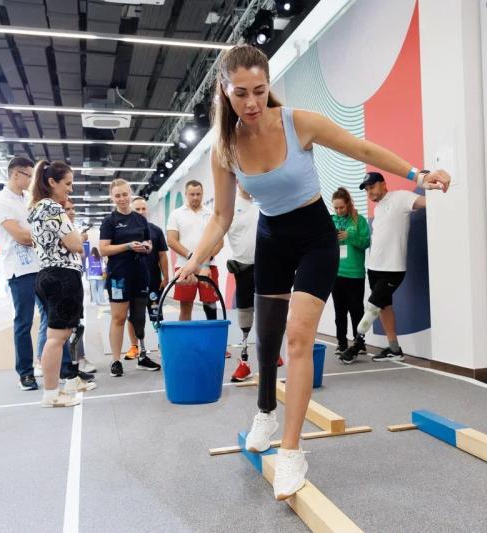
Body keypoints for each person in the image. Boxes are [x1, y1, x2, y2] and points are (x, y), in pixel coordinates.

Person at [177, 44, 450, 500]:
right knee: (266, 342)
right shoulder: (224, 149)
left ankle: (291, 450)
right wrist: (195, 258)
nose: (251, 103)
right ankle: (264, 411)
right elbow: (221, 217)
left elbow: (361, 147)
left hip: (315, 236)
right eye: (240, 93)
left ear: (269, 87)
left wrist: (417, 173)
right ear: (224, 92)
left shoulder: (297, 122)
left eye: (260, 91)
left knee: (299, 339)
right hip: (271, 240)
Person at [340, 172, 430, 364]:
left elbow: (426, 202)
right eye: (366, 189)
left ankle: (356, 346)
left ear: (383, 184)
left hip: (393, 268)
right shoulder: (379, 208)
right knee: (384, 307)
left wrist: (436, 185)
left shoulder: (400, 197)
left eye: (372, 186)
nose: (369, 192)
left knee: (372, 306)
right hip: (374, 267)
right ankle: (395, 349)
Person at [27, 160, 93, 407]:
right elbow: (75, 245)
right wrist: (85, 236)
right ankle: (51, 393)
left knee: (57, 337)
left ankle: (54, 390)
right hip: (62, 275)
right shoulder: (52, 208)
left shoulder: (36, 208)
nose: (71, 189)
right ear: (51, 182)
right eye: (67, 184)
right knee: (56, 338)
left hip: (47, 274)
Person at [99, 179, 162, 377]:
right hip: (119, 276)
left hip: (140, 274)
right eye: (117, 195)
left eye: (125, 194)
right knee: (118, 318)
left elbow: (150, 244)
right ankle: (116, 360)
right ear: (112, 197)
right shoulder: (109, 221)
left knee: (139, 317)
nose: (122, 199)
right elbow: (103, 249)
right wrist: (127, 246)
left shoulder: (140, 220)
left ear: (130, 193)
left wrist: (146, 247)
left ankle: (142, 355)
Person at [0, 156, 42, 391]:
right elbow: (21, 236)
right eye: (28, 175)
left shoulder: (27, 200)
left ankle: (62, 368)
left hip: (41, 268)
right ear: (15, 174)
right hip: (19, 272)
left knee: (54, 318)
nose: (31, 180)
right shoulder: (1, 202)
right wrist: (47, 238)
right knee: (23, 323)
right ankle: (26, 373)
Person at [166, 180, 223, 322]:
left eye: (198, 194)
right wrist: (192, 257)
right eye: (192, 194)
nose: (195, 197)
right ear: (186, 194)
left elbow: (219, 242)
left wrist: (203, 262)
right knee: (185, 306)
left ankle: (212, 339)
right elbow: (172, 241)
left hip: (209, 266)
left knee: (210, 304)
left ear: (203, 194)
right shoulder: (176, 214)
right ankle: (184, 341)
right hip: (184, 266)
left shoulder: (211, 214)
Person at [127, 197, 169, 358]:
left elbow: (162, 256)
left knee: (156, 314)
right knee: (134, 317)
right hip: (133, 282)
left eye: (143, 208)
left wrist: (166, 276)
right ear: (132, 211)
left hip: (153, 281)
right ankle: (134, 347)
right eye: (137, 209)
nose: (141, 212)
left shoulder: (156, 231)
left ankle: (162, 344)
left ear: (148, 210)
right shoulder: (126, 231)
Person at [226, 183, 260, 381]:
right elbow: (217, 232)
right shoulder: (230, 204)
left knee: (270, 311)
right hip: (243, 267)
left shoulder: (265, 200)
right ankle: (244, 362)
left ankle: (272, 355)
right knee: (245, 314)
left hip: (269, 264)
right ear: (237, 181)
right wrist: (202, 262)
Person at [331, 187, 370, 355]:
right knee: (339, 311)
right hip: (336, 274)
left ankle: (359, 343)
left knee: (356, 310)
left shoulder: (359, 221)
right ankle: (341, 343)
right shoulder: (330, 220)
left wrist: (350, 236)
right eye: (336, 208)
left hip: (355, 273)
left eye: (342, 207)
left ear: (348, 204)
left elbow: (365, 242)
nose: (339, 211)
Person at [62, 199, 97, 374]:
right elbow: (75, 248)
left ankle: (78, 359)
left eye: (72, 208)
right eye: (67, 209)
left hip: (75, 278)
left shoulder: (73, 230)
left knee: (76, 322)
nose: (72, 212)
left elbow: (82, 253)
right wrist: (78, 241)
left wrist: (79, 241)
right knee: (60, 326)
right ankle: (67, 362)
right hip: (58, 280)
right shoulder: (56, 228)